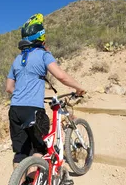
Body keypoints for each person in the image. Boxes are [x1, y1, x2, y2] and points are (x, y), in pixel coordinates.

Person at [6, 13, 85, 169]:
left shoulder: (17, 59)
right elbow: (61, 76)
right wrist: (79, 88)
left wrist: (23, 95)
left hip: (15, 109)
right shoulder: (43, 55)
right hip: (33, 110)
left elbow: (9, 88)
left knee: (21, 153)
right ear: (40, 36)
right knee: (39, 149)